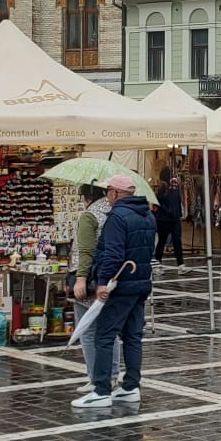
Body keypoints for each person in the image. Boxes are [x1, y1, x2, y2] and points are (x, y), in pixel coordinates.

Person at [76, 175, 155, 408]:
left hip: (120, 285)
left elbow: (113, 253)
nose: (107, 197)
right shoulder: (148, 215)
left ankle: (101, 389)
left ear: (114, 193)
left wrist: (102, 283)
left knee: (104, 335)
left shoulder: (117, 217)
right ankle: (131, 386)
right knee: (132, 336)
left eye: (108, 192)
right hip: (140, 283)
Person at [70, 183, 114, 394]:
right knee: (108, 331)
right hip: (110, 278)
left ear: (87, 196)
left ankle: (95, 377)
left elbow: (85, 251)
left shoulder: (90, 216)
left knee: (87, 330)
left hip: (91, 279)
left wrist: (80, 278)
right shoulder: (114, 211)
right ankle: (111, 376)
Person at [154, 169, 183, 268]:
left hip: (175, 219)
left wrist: (179, 213)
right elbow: (157, 201)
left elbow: (178, 200)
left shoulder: (175, 186)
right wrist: (168, 211)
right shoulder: (163, 186)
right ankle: (158, 262)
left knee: (177, 241)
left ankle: (181, 264)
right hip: (164, 219)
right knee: (162, 241)